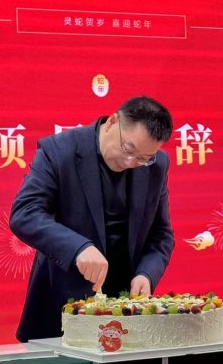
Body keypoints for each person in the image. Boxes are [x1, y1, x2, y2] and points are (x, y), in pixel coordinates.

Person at [10, 95, 175, 342]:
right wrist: (78, 248)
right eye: (128, 150)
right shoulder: (59, 151)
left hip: (125, 310)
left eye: (143, 158)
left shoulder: (157, 165)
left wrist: (146, 274)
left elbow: (161, 235)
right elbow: (25, 213)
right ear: (112, 122)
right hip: (61, 307)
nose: (131, 162)